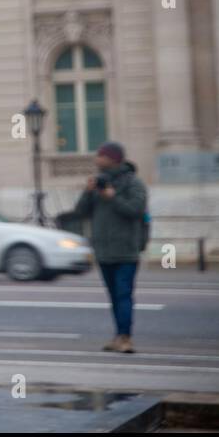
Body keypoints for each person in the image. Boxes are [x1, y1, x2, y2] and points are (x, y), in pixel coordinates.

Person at [74, 141, 148, 353]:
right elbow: (81, 212)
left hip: (126, 250)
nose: (97, 159)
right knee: (114, 296)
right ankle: (118, 336)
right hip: (104, 251)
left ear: (113, 159)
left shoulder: (133, 183)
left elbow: (136, 210)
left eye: (101, 155)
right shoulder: (99, 182)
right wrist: (88, 192)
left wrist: (113, 198)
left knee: (124, 294)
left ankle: (125, 338)